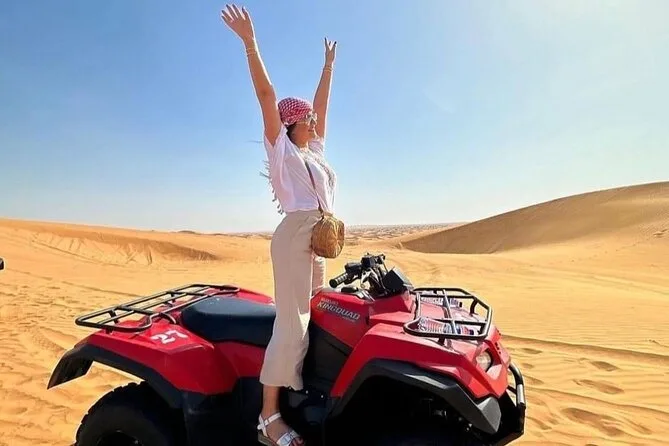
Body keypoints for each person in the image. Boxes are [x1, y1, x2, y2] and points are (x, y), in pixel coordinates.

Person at [221, 4, 337, 446]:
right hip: (294, 237)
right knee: (293, 322)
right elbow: (266, 96)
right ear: (292, 123)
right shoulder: (282, 151)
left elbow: (322, 106)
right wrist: (250, 43)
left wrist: (327, 67)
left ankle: (304, 393)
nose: (314, 120)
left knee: (321, 309)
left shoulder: (313, 152)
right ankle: (268, 417)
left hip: (319, 238)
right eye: (307, 117)